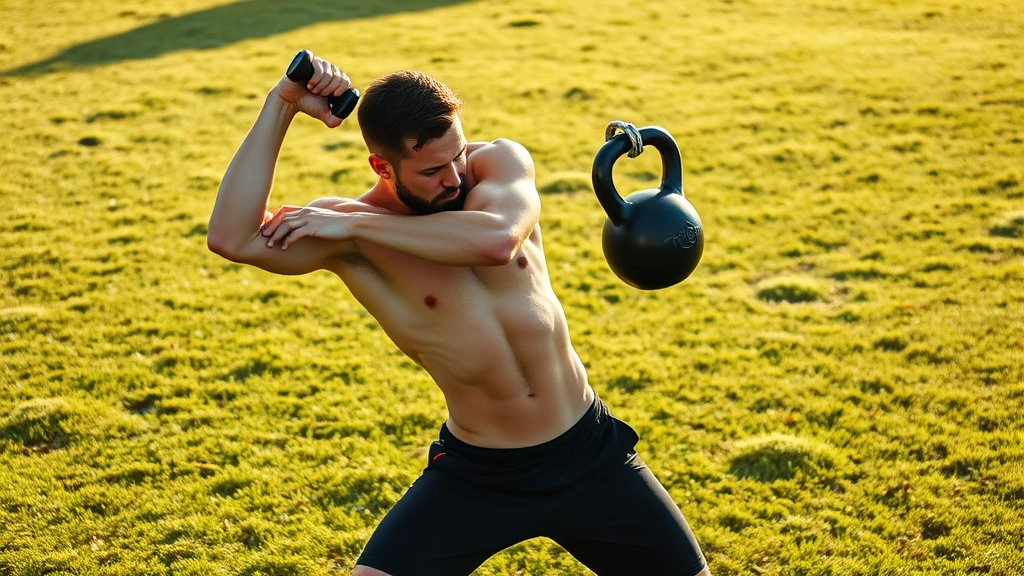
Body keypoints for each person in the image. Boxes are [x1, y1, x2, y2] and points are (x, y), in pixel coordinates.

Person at [207, 53, 709, 576]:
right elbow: (231, 237)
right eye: (430, 170)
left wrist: (357, 225)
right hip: (480, 472)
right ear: (382, 166)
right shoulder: (348, 237)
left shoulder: (495, 164)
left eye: (456, 156)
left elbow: (495, 240)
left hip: (589, 452)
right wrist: (282, 103)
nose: (453, 178)